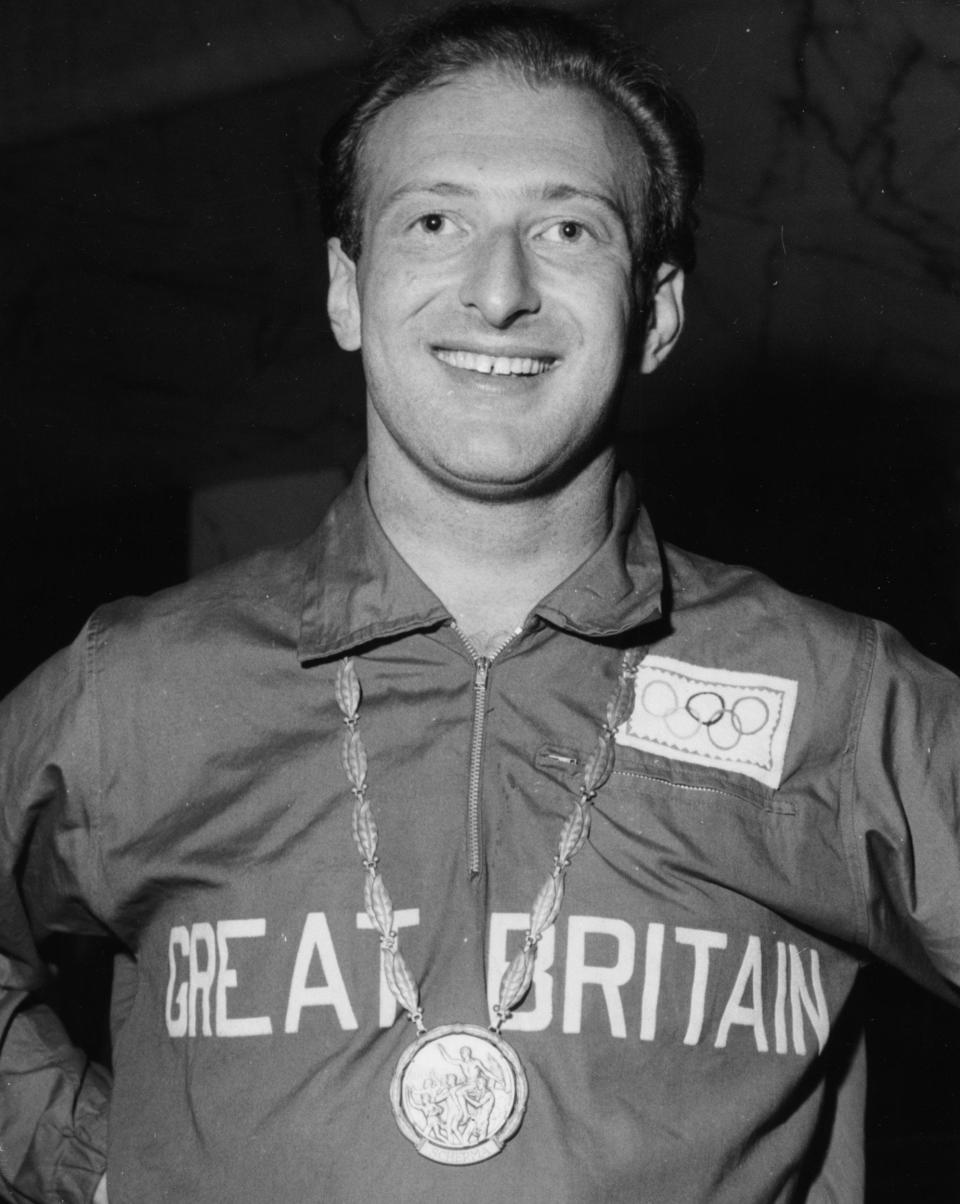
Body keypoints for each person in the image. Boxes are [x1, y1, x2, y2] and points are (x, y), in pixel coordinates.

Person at [1, 4, 958, 1201]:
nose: (497, 290)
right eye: (436, 220)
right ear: (349, 288)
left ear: (655, 310)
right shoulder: (133, 686)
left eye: (567, 226)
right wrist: (99, 1162)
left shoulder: (845, 695)